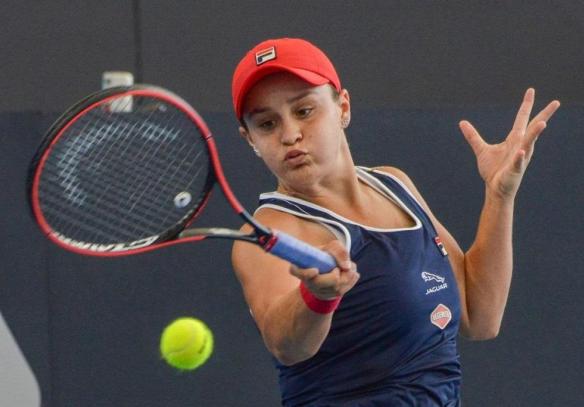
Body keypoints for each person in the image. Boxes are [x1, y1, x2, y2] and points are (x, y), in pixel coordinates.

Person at [230, 38, 560, 406]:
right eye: (267, 123)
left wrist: (499, 197)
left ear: (343, 107)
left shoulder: (395, 185)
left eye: (304, 110)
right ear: (251, 139)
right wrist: (318, 295)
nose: (289, 134)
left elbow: (480, 316)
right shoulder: (269, 234)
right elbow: (285, 345)